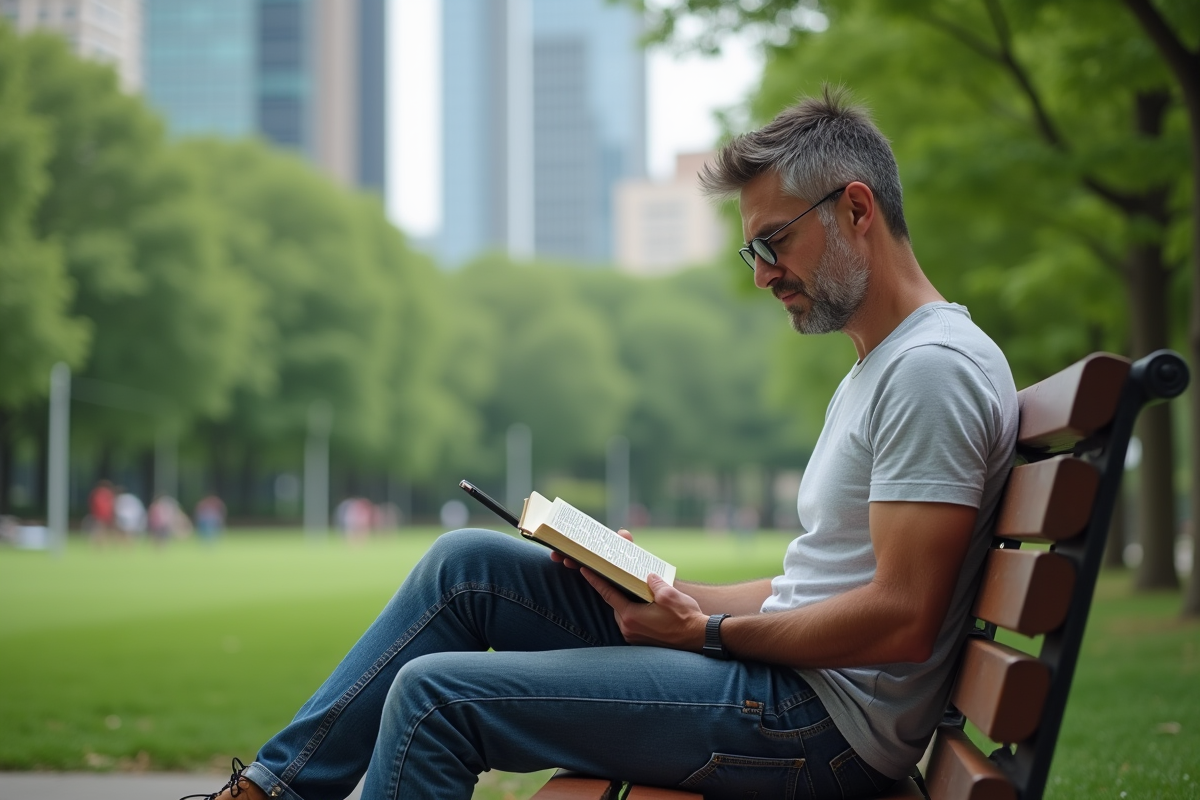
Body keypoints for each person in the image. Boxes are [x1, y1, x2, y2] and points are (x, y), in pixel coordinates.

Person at [185, 88, 1018, 800]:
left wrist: (702, 634)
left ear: (857, 209)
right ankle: (274, 790)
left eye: (773, 242)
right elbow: (821, 582)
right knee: (463, 569)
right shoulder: (885, 365)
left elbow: (901, 620)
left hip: (817, 726)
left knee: (436, 698)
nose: (762, 272)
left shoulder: (928, 373)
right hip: (789, 686)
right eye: (751, 249)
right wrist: (663, 589)